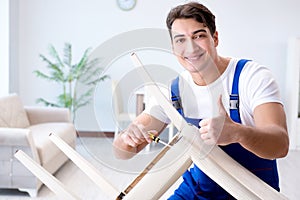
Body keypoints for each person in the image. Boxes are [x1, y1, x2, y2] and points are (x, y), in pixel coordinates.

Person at [113, 2, 289, 199]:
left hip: (249, 192)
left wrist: (238, 133)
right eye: (180, 40)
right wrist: (127, 138)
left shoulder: (252, 77)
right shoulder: (174, 91)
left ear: (215, 38)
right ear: (173, 48)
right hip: (197, 192)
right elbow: (123, 152)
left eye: (199, 36)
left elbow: (280, 144)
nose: (191, 47)